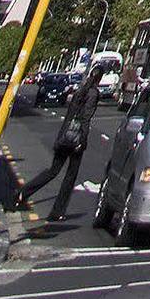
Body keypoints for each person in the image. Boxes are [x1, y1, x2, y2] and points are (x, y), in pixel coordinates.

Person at [15, 72, 100, 221]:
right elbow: (86, 118)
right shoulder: (93, 94)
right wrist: (82, 140)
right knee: (70, 176)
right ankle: (57, 211)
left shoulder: (79, 91)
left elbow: (69, 116)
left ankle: (23, 192)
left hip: (64, 136)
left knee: (53, 171)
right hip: (76, 139)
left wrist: (61, 137)